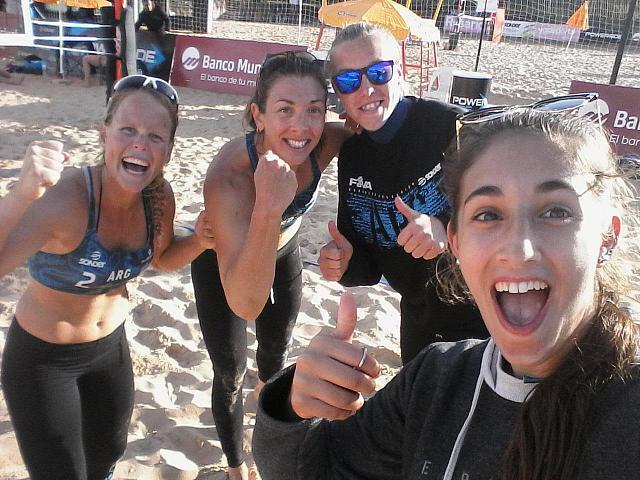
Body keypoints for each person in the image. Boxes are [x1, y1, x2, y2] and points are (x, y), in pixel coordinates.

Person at [253, 102, 640, 479]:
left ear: (607, 236)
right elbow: (315, 469)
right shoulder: (434, 380)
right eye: (488, 214)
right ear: (456, 242)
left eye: (555, 212)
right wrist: (293, 408)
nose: (519, 249)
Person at [0, 74, 214, 480]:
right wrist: (21, 194)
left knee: (106, 457)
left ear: (168, 150)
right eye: (128, 129)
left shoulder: (158, 198)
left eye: (155, 136)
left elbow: (161, 259)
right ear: (104, 133)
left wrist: (200, 241)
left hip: (110, 350)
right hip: (43, 362)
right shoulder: (65, 199)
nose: (140, 144)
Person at [190, 51, 348, 480]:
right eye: (285, 110)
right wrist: (268, 206)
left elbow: (376, 132)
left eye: (314, 110)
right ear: (258, 116)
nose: (301, 126)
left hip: (284, 252)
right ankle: (235, 465)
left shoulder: (325, 143)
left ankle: (267, 436)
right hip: (225, 266)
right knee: (230, 374)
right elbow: (245, 301)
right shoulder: (230, 176)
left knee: (274, 359)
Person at [318, 22, 487, 364]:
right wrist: (344, 262)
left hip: (487, 316)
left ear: (400, 71)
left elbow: (509, 211)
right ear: (338, 92)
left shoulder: (451, 127)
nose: (366, 89)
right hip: (419, 319)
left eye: (378, 72)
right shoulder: (353, 156)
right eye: (349, 80)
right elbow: (368, 263)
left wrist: (445, 226)